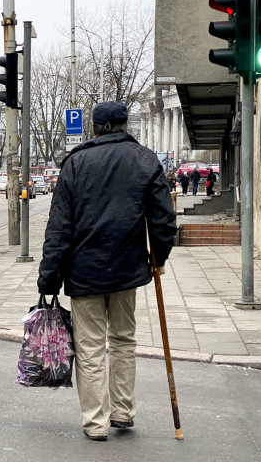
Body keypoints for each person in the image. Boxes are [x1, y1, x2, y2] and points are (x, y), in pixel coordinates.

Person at [38, 102, 177, 442]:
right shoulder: (145, 159)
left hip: (84, 272)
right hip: (127, 270)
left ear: (96, 127)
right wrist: (158, 257)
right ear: (124, 124)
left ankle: (96, 422)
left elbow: (60, 227)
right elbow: (163, 220)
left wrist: (49, 276)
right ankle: (123, 410)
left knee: (90, 347)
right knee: (123, 340)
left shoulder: (77, 163)